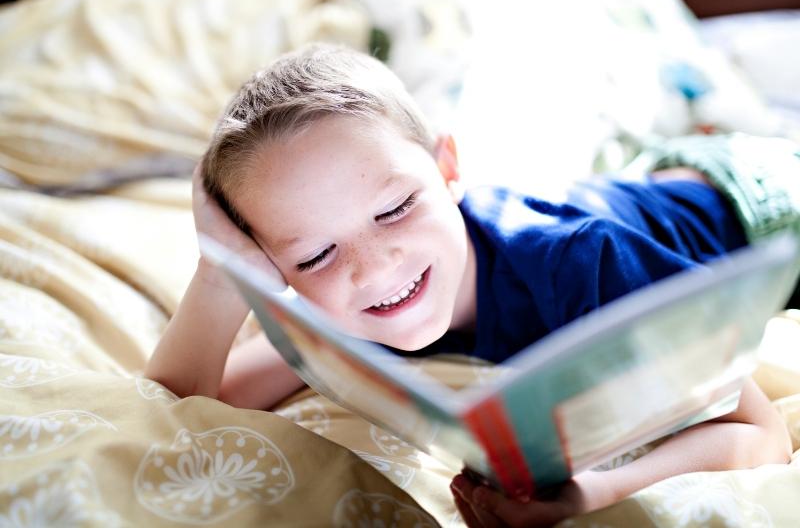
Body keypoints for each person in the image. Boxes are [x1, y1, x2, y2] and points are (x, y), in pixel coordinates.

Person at [145, 43, 795, 527]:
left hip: (762, 199)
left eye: (396, 207)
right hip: (646, 188)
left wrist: (588, 492)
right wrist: (218, 273)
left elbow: (760, 436)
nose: (374, 268)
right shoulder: (339, 313)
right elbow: (182, 402)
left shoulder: (587, 264)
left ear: (447, 170)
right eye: (315, 254)